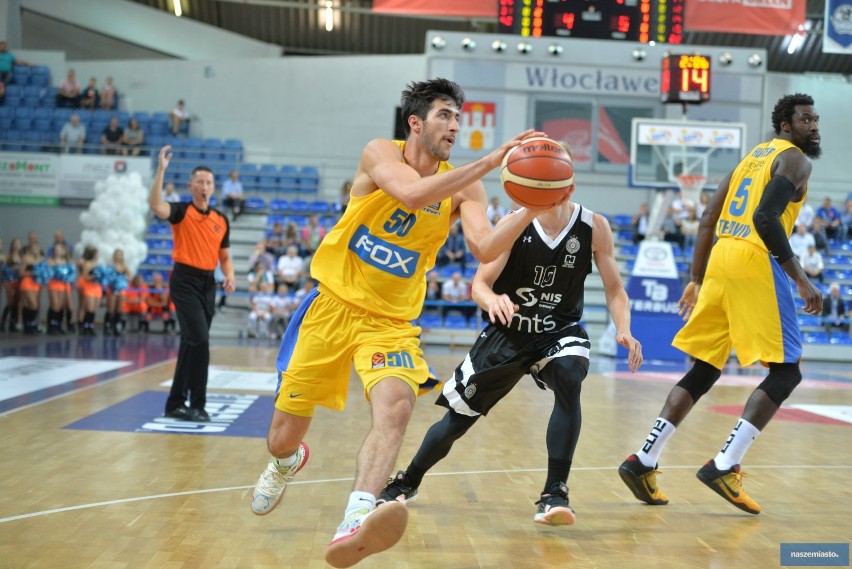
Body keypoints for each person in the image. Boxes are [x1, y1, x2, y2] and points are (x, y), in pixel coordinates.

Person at [248, 77, 556, 568]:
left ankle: (355, 519)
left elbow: (483, 247)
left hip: (389, 322)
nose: (455, 125)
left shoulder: (465, 185)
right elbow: (412, 196)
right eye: (444, 116)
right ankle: (286, 460)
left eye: (458, 117)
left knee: (396, 407)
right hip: (332, 307)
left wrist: (531, 209)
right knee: (283, 434)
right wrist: (494, 159)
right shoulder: (379, 153)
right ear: (415, 122)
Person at [379, 182, 643, 527]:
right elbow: (480, 285)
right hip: (509, 332)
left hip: (557, 329)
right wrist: (493, 301)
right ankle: (408, 481)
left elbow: (615, 289)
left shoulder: (594, 227)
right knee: (457, 420)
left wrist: (623, 327)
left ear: (569, 186)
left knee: (568, 377)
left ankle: (554, 493)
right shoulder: (514, 224)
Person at [617, 93, 824, 516]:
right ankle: (725, 463)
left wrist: (696, 279)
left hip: (721, 260)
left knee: (705, 367)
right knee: (786, 372)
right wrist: (800, 279)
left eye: (816, 119)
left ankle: (644, 459)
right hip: (752, 258)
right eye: (806, 119)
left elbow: (709, 216)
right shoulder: (796, 160)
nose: (814, 125)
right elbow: (766, 219)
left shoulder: (750, 158)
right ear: (785, 125)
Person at [149, 145, 236, 422]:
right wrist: (161, 170)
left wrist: (230, 274)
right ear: (191, 186)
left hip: (208, 283)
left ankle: (175, 403)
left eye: (209, 182)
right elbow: (156, 205)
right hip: (184, 280)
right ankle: (198, 404)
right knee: (200, 340)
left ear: (213, 188)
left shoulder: (221, 220)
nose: (205, 186)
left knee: (190, 343)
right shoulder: (181, 211)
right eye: (200, 181)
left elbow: (225, 256)